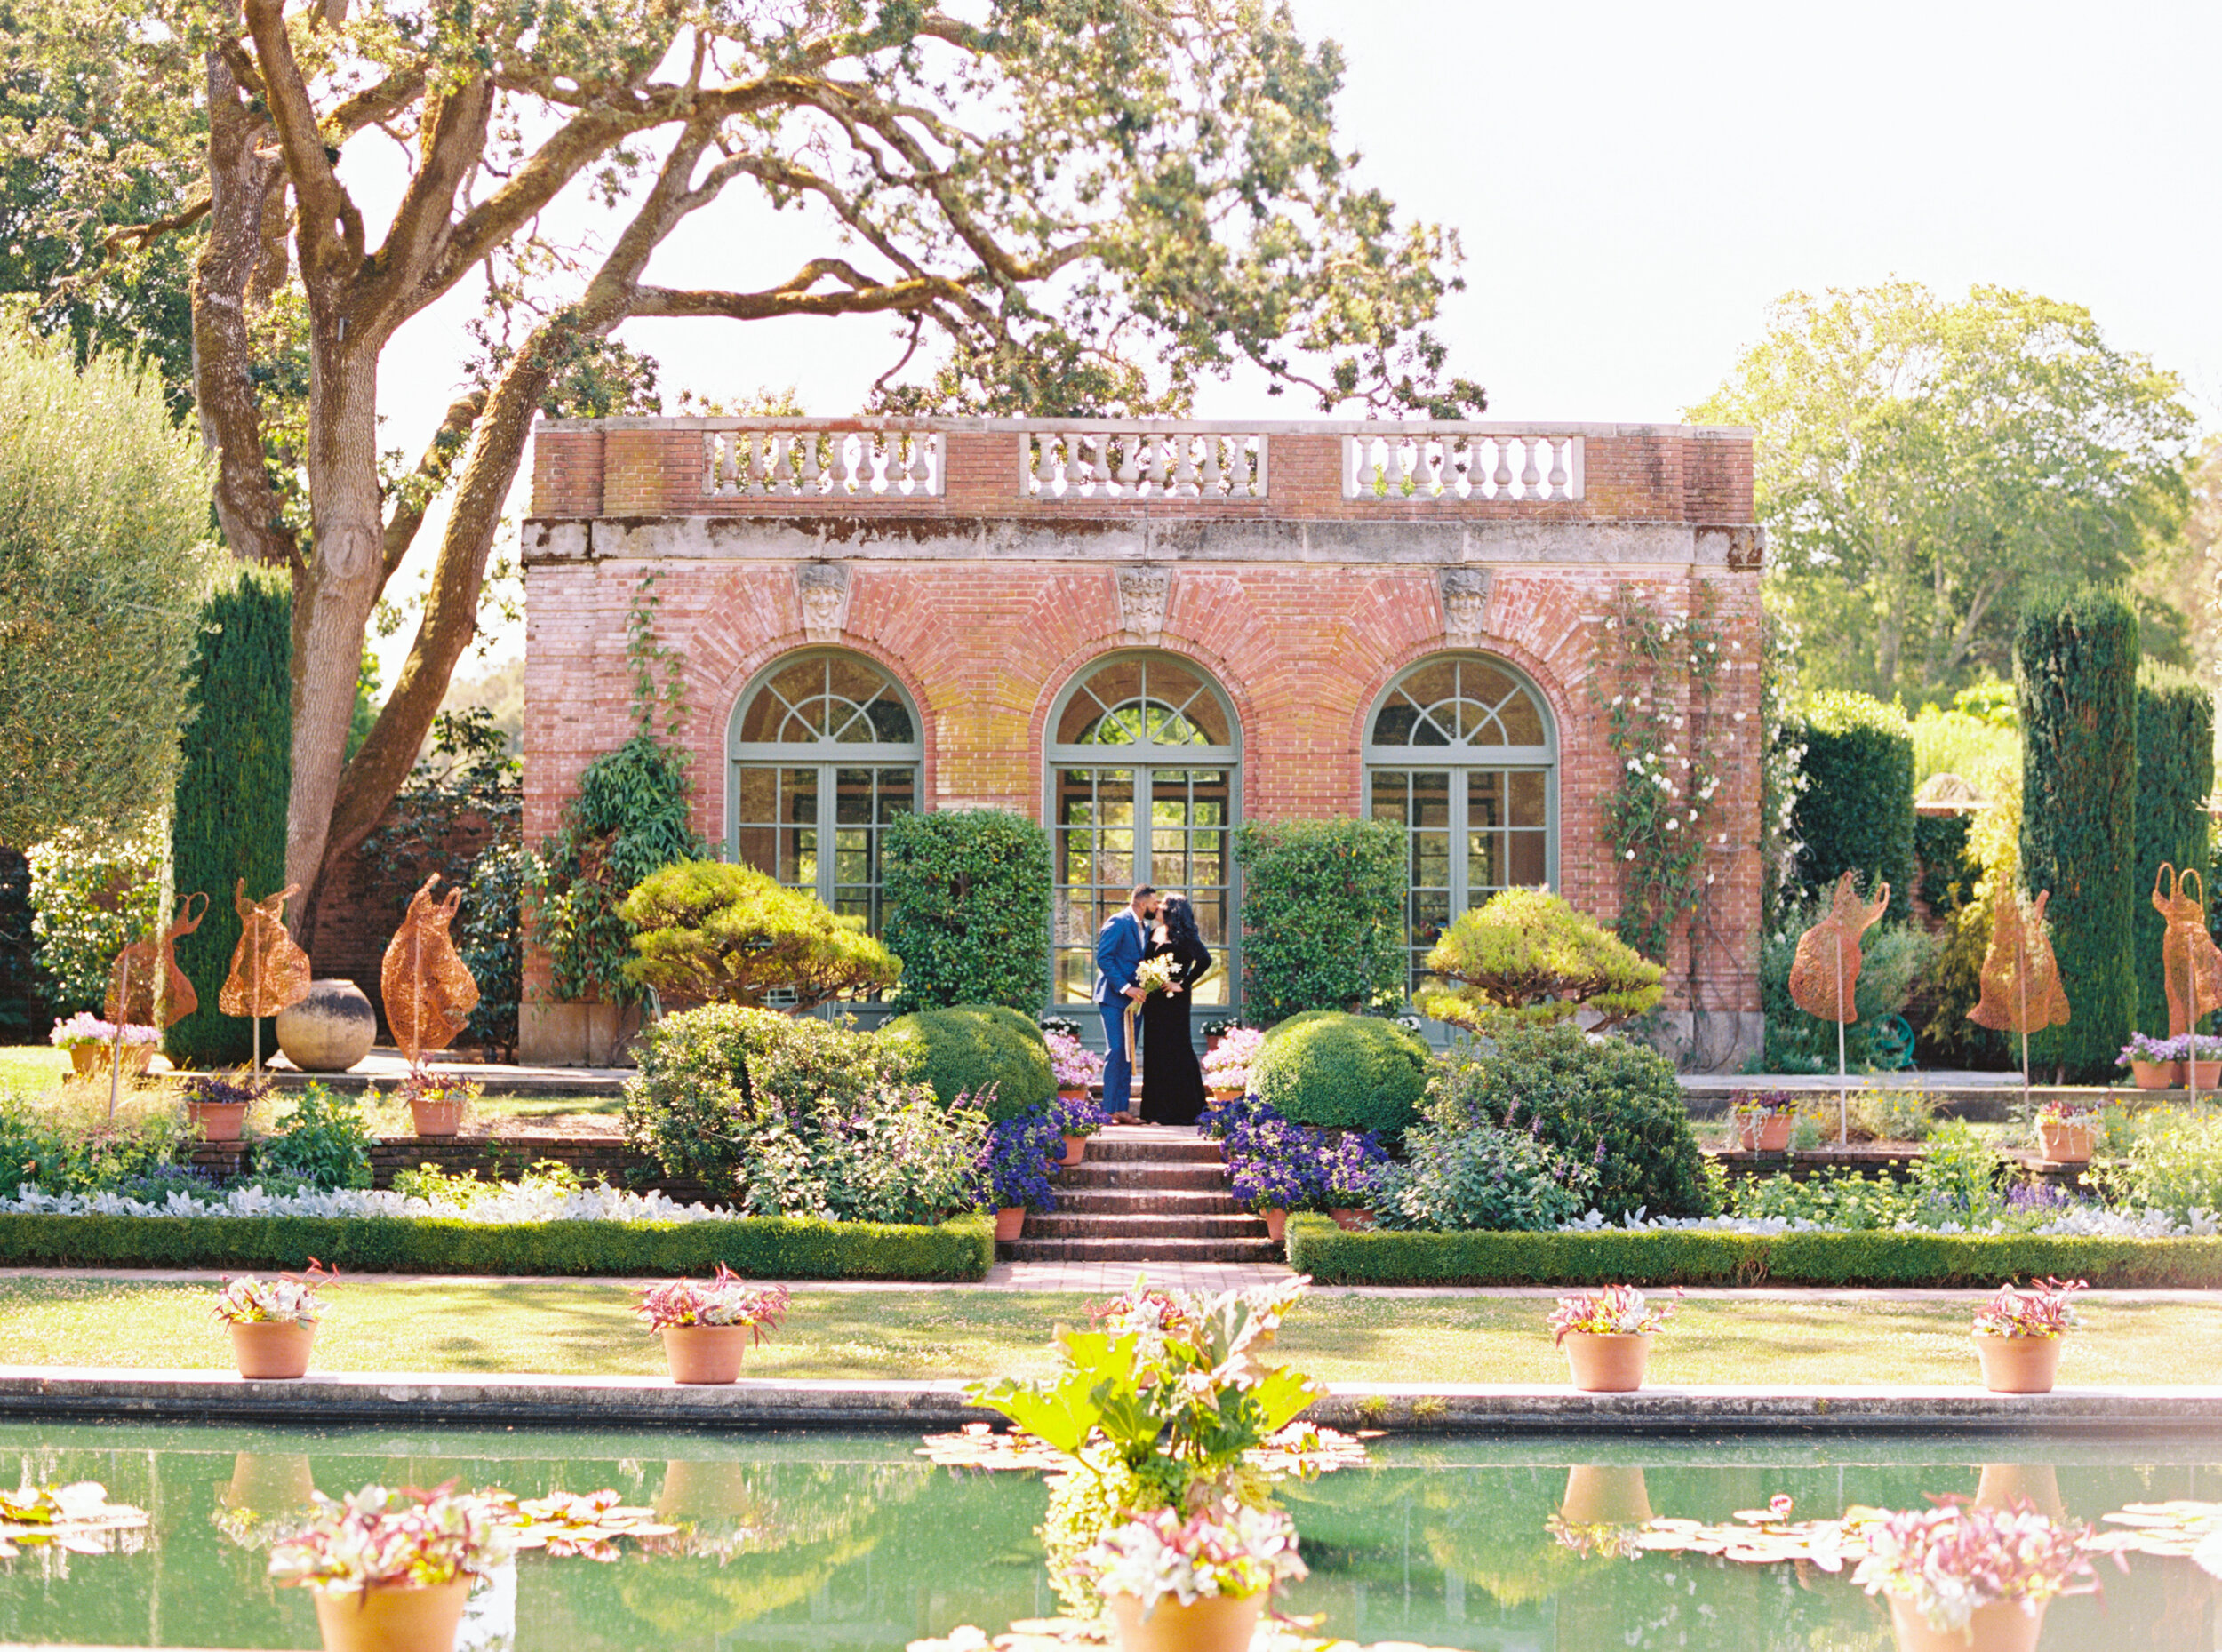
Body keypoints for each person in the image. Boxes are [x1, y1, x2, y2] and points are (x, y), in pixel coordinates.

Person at [1140, 893, 1212, 1126]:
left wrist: (1182, 983)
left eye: (1162, 903)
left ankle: (1183, 1110)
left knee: (1177, 1050)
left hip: (1175, 1002)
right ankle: (1155, 1111)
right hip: (1153, 1001)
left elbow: (1205, 960)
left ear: (1172, 909)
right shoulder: (1153, 931)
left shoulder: (1186, 936)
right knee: (1154, 1052)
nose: (1158, 907)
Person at [1093, 883, 1159, 1124]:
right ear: (1142, 903)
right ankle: (1108, 1110)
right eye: (1154, 903)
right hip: (1113, 998)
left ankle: (1122, 1109)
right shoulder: (1118, 922)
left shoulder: (1146, 926)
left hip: (1136, 1001)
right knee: (1117, 1049)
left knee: (1129, 1054)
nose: (1156, 907)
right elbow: (1104, 958)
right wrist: (1126, 987)